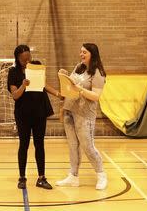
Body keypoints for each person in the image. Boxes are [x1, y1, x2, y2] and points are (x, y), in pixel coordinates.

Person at [7, 44, 62, 190]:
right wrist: (23, 85)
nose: (27, 61)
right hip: (23, 114)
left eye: (28, 58)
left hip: (39, 111)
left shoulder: (36, 66)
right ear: (18, 59)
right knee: (23, 145)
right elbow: (15, 95)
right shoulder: (13, 72)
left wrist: (57, 93)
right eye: (23, 59)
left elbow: (43, 84)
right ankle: (22, 177)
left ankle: (41, 178)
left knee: (40, 144)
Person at [56, 43, 108, 190]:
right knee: (73, 146)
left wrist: (80, 90)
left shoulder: (98, 73)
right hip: (69, 111)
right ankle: (73, 176)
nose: (81, 54)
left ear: (92, 54)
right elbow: (69, 86)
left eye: (84, 52)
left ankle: (101, 175)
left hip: (85, 115)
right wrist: (64, 76)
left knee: (88, 146)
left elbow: (96, 96)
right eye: (80, 52)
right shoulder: (79, 67)